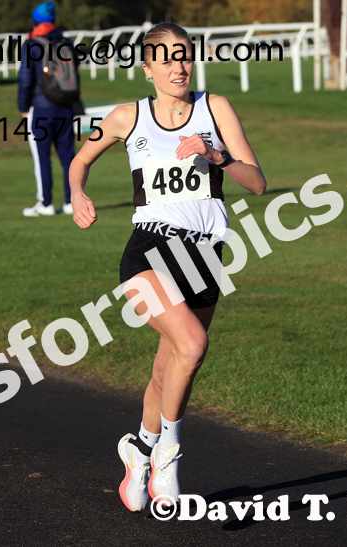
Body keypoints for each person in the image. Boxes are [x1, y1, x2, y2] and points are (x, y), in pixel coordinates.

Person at [68, 22, 266, 511]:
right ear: (148, 66)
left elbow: (257, 182)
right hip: (149, 251)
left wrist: (214, 155)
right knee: (193, 344)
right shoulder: (124, 117)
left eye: (184, 54)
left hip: (205, 253)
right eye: (166, 57)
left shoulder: (214, 108)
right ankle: (168, 459)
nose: (177, 65)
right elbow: (80, 160)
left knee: (172, 367)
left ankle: (138, 451)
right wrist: (77, 192)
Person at [18, 1, 79, 217]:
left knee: (42, 157)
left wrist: (23, 107)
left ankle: (45, 203)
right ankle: (72, 202)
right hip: (66, 107)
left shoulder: (32, 44)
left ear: (35, 21)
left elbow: (25, 79)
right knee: (68, 157)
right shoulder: (66, 42)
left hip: (41, 109)